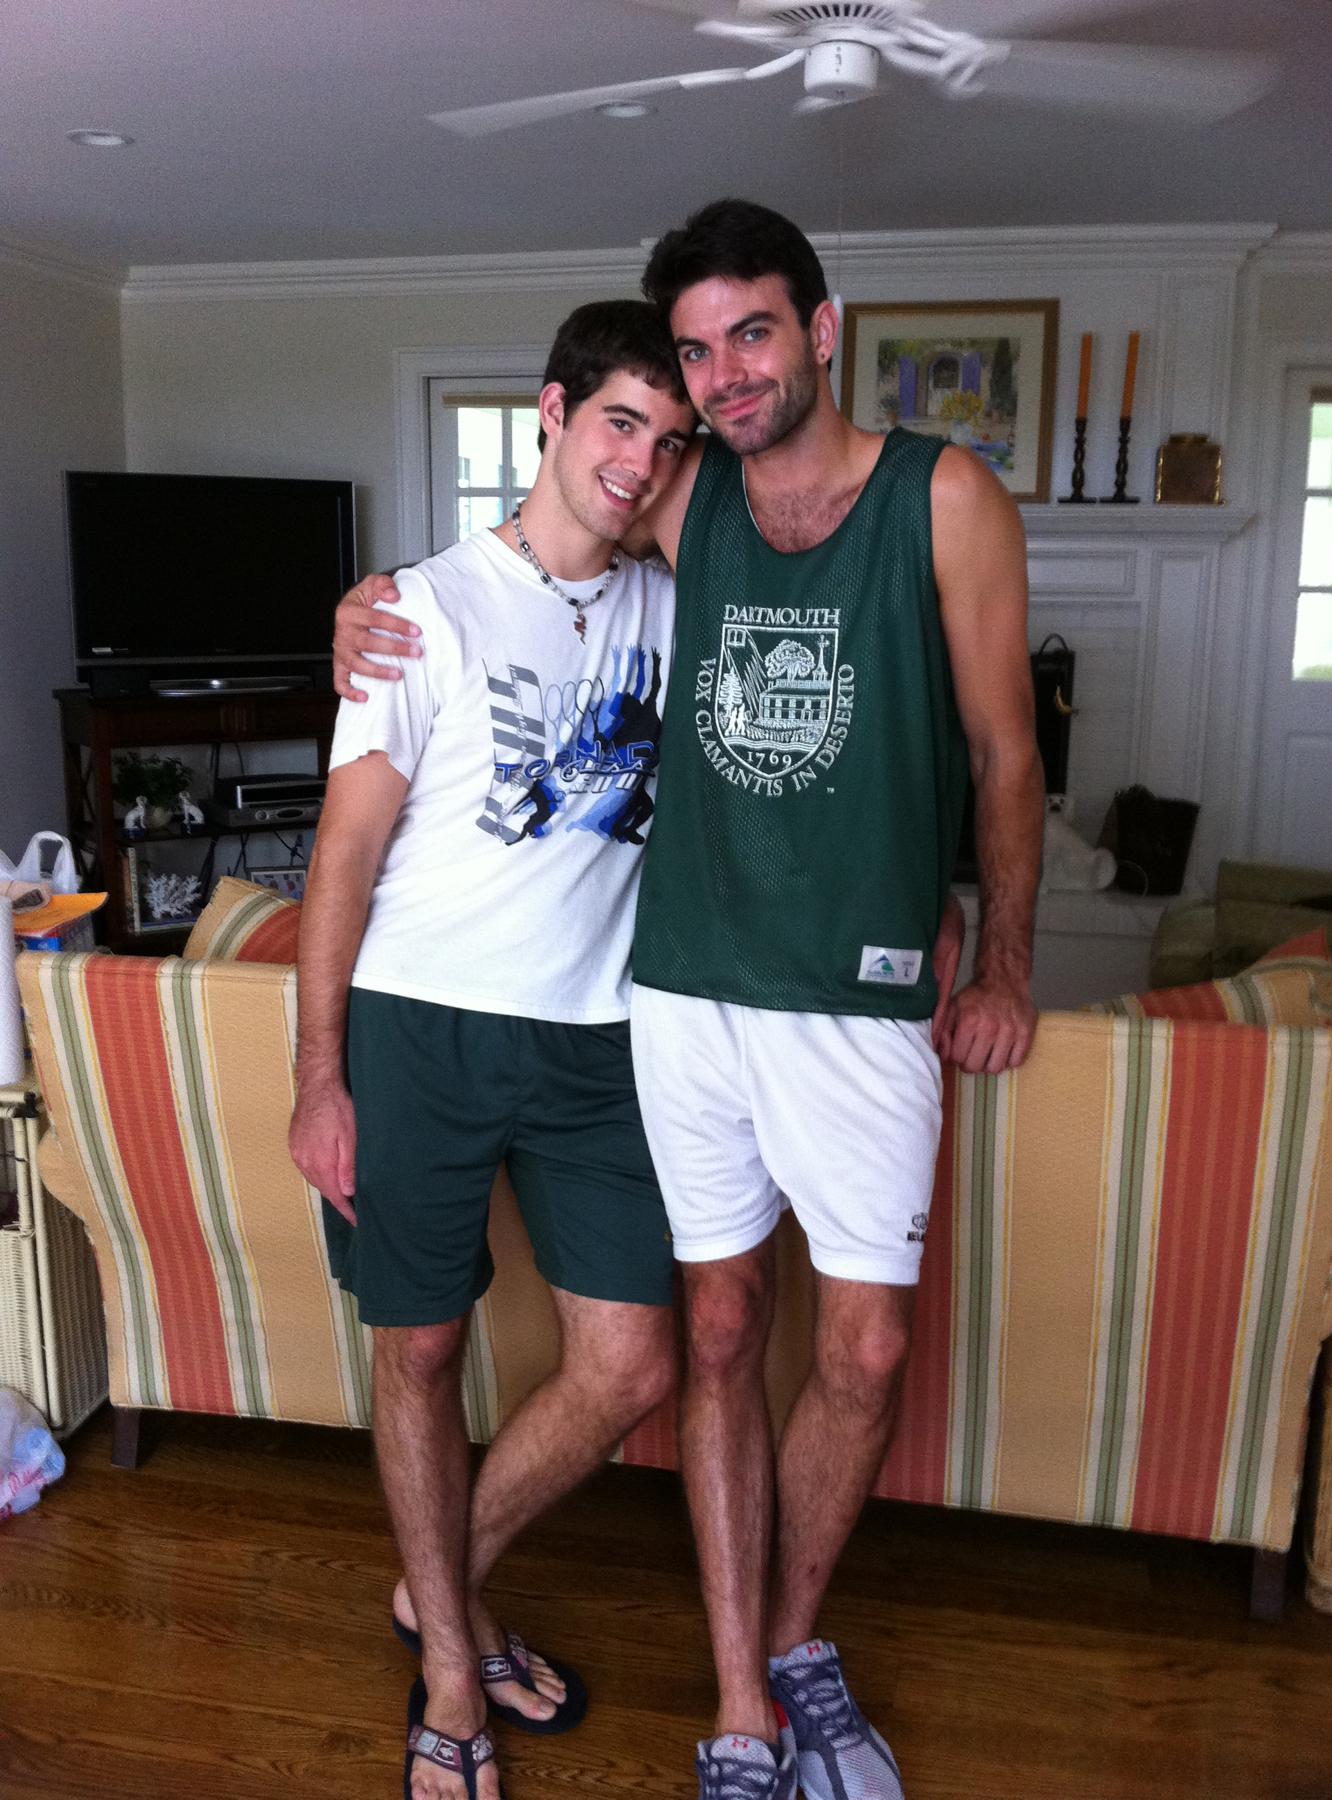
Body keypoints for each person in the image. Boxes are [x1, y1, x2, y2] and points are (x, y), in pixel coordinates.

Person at [333, 199, 1042, 1800]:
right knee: (713, 1330)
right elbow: (548, 525)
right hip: (677, 997)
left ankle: (789, 1649)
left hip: (857, 998)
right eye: (697, 351)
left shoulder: (941, 497)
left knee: (862, 1351)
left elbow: (1006, 752)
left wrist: (1003, 957)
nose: (722, 377)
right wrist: (371, 608)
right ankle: (735, 1704)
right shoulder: (686, 498)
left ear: (822, 330)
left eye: (752, 334)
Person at [290, 299, 697, 1800]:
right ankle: (454, 1678)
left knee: (630, 1362)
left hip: (601, 1040)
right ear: (552, 411)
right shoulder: (421, 609)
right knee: (421, 1350)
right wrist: (318, 1078)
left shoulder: (675, 605)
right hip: (420, 1026)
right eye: (619, 421)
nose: (640, 460)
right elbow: (341, 861)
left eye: (670, 440)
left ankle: (435, 1592)